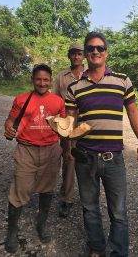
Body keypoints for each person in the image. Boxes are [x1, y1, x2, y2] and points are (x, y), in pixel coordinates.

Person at [65, 31, 138, 257]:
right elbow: (69, 121)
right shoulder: (75, 87)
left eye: (100, 48)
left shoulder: (122, 80)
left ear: (106, 52)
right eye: (90, 48)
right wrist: (66, 139)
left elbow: (133, 112)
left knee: (119, 211)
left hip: (114, 158)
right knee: (90, 208)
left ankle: (119, 251)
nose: (95, 51)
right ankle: (97, 247)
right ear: (85, 53)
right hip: (85, 156)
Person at [4, 64, 65, 253]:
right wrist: (8, 127)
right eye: (38, 79)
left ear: (50, 80)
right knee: (19, 191)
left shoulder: (57, 102)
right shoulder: (21, 99)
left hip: (51, 151)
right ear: (33, 79)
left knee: (47, 190)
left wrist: (69, 145)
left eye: (46, 79)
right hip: (26, 150)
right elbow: (10, 120)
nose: (42, 83)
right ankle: (12, 231)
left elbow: (63, 126)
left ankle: (41, 224)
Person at [52, 42, 86, 218]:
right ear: (69, 56)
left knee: (89, 161)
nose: (76, 56)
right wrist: (58, 127)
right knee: (69, 160)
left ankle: (88, 199)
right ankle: (67, 199)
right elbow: (55, 101)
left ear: (84, 55)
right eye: (73, 53)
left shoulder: (91, 74)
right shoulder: (61, 77)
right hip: (68, 126)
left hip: (87, 125)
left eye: (79, 53)